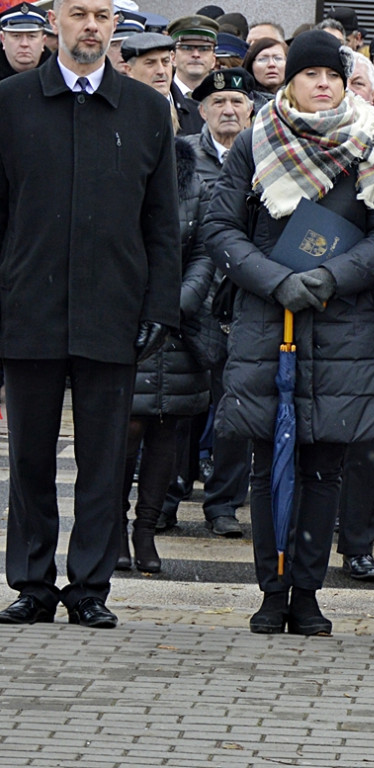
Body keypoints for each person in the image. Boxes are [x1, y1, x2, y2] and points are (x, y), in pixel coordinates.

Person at [203, 30, 374, 636]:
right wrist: (272, 281)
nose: (323, 84)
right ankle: (271, 590)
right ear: (287, 80)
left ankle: (309, 593)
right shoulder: (257, 141)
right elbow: (220, 226)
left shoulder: (370, 144)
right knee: (268, 468)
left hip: (343, 327)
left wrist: (329, 277)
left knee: (324, 469)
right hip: (271, 324)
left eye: (333, 76)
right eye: (310, 74)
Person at [0, 0, 180, 629]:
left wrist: (161, 304)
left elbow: (163, 222)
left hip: (115, 308)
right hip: (29, 307)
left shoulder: (148, 109)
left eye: (102, 14)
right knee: (29, 454)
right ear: (55, 23)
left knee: (104, 458)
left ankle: (91, 587)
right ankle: (30, 582)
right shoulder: (11, 101)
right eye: (79, 13)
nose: (92, 26)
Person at [118, 130, 213, 572]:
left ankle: (146, 529)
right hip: (125, 320)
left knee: (166, 431)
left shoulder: (192, 182)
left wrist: (176, 301)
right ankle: (114, 527)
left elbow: (206, 251)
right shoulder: (116, 170)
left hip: (179, 324)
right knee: (125, 431)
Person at [184, 66, 257, 537]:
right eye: (218, 103)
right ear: (203, 110)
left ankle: (224, 503)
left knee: (236, 408)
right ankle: (168, 496)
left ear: (251, 108)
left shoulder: (266, 154)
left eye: (237, 102)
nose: (228, 110)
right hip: (194, 299)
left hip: (246, 300)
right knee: (183, 407)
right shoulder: (184, 154)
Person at [167, 13, 218, 133]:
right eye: (187, 48)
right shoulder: (162, 97)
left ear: (213, 60)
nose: (196, 54)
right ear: (172, 58)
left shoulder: (224, 98)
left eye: (204, 49)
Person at [0, 1, 49, 81]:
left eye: (31, 36)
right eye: (16, 36)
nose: (24, 44)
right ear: (3, 39)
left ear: (43, 41)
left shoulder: (61, 76)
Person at [242, 36, 287, 111]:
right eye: (263, 59)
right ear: (250, 65)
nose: (271, 64)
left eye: (278, 58)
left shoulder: (299, 100)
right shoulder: (242, 101)